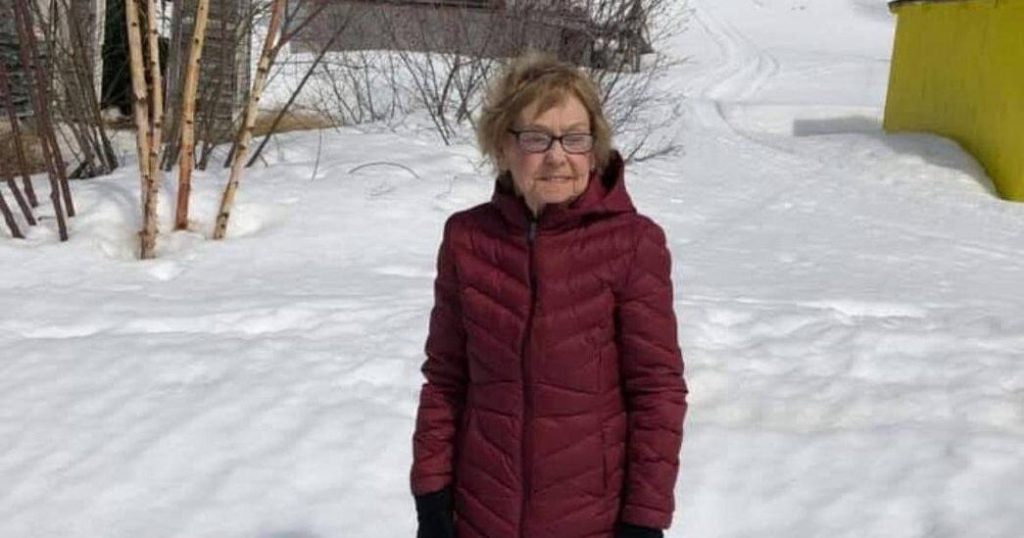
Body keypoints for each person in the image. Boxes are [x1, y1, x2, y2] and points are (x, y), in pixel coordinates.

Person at [410, 52, 688, 538]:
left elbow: (657, 392)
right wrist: (432, 496)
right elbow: (445, 380)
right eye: (537, 138)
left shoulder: (633, 243)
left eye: (575, 138)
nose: (557, 156)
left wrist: (644, 520)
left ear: (594, 148)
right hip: (479, 516)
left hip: (593, 522)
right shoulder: (467, 239)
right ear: (504, 144)